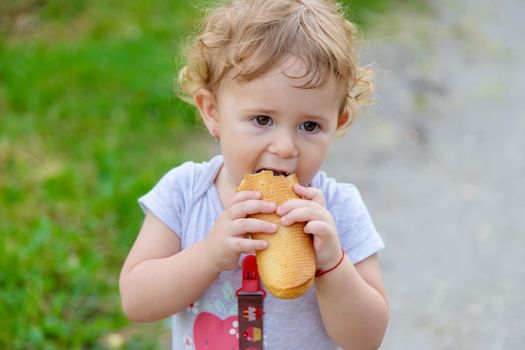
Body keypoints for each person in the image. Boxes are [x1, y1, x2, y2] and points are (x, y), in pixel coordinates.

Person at [119, 0, 389, 349]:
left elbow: (366, 339)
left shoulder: (337, 210)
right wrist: (209, 255)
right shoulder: (185, 193)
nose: (285, 146)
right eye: (262, 120)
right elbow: (136, 301)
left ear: (337, 124)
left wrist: (332, 265)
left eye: (310, 125)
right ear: (213, 112)